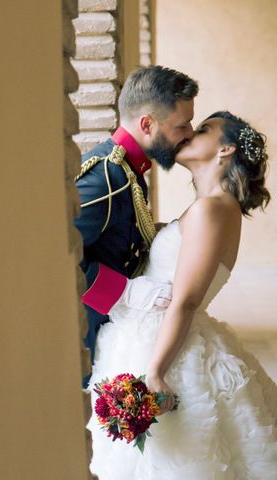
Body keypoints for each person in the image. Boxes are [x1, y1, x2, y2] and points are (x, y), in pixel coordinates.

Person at [85, 111, 277, 478]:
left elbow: (186, 300)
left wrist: (155, 372)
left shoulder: (212, 209)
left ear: (225, 149)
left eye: (203, 128)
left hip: (165, 347)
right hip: (148, 334)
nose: (189, 133)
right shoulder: (212, 208)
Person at [74, 65, 199, 389]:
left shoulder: (128, 171)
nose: (189, 133)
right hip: (85, 335)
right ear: (147, 124)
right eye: (182, 125)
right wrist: (124, 291)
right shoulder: (105, 178)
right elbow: (58, 254)